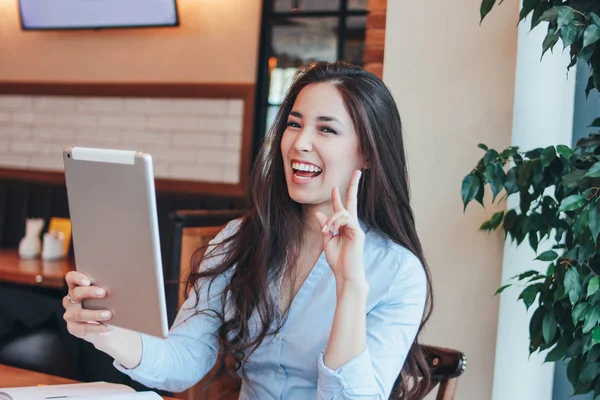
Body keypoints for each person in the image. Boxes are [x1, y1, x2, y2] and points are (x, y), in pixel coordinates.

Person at [62, 61, 433, 399]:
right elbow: (184, 360)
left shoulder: (399, 273)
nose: (300, 143)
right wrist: (103, 330)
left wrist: (350, 286)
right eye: (294, 123)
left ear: (367, 153)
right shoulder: (240, 238)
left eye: (326, 129)